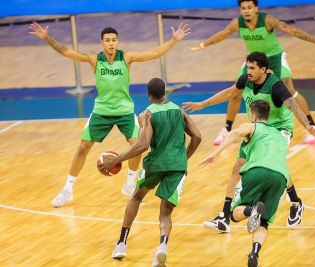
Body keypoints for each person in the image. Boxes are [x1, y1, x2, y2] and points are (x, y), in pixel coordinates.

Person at [29, 22, 190, 207]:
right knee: (82, 147)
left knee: (137, 145)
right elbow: (66, 51)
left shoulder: (126, 58)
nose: (111, 43)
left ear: (117, 42)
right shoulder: (94, 59)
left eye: (114, 40)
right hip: (101, 111)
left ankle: (129, 185)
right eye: (108, 40)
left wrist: (174, 40)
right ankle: (67, 189)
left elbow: (154, 53)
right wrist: (47, 38)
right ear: (102, 43)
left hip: (124, 112)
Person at [183, 52, 315, 231]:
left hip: (279, 129)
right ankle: (224, 217)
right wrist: (203, 104)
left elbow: (293, 106)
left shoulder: (276, 86)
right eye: (247, 67)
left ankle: (295, 202)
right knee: (237, 166)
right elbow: (229, 93)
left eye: (252, 68)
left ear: (263, 70)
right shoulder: (245, 80)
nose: (248, 71)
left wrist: (308, 126)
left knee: (274, 163)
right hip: (257, 127)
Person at [99, 78, 202, 266]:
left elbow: (143, 145)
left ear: (149, 95)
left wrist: (116, 160)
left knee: (137, 197)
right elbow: (197, 136)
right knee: (166, 213)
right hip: (178, 166)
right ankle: (162, 246)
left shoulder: (146, 114)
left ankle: (122, 243)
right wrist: (183, 158)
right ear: (165, 93)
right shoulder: (179, 110)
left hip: (155, 164)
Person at [191, 0, 315, 145]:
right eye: (243, 8)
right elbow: (222, 34)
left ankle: (311, 126)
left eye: (249, 7)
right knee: (235, 91)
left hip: (274, 57)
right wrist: (203, 45)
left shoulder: (267, 20)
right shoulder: (237, 23)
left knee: (290, 92)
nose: (246, 11)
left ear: (256, 8)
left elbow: (292, 30)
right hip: (254, 60)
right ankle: (227, 130)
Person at [200, 100, 289, 267]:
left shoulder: (252, 126)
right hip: (281, 177)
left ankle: (251, 210)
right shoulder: (279, 135)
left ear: (253, 116)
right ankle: (254, 253)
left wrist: (216, 153)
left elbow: (234, 134)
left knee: (234, 214)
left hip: (258, 170)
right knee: (263, 222)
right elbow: (283, 164)